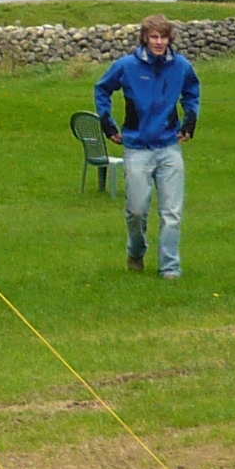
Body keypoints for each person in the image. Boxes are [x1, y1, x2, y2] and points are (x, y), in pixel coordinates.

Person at [94, 16, 200, 276]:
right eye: (154, 37)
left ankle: (170, 268)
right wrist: (107, 124)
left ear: (170, 39)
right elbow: (102, 89)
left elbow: (192, 92)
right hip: (137, 148)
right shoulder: (127, 65)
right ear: (145, 38)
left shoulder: (181, 66)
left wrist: (190, 120)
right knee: (137, 211)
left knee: (172, 214)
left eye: (163, 37)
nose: (159, 42)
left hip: (169, 146)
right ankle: (136, 251)